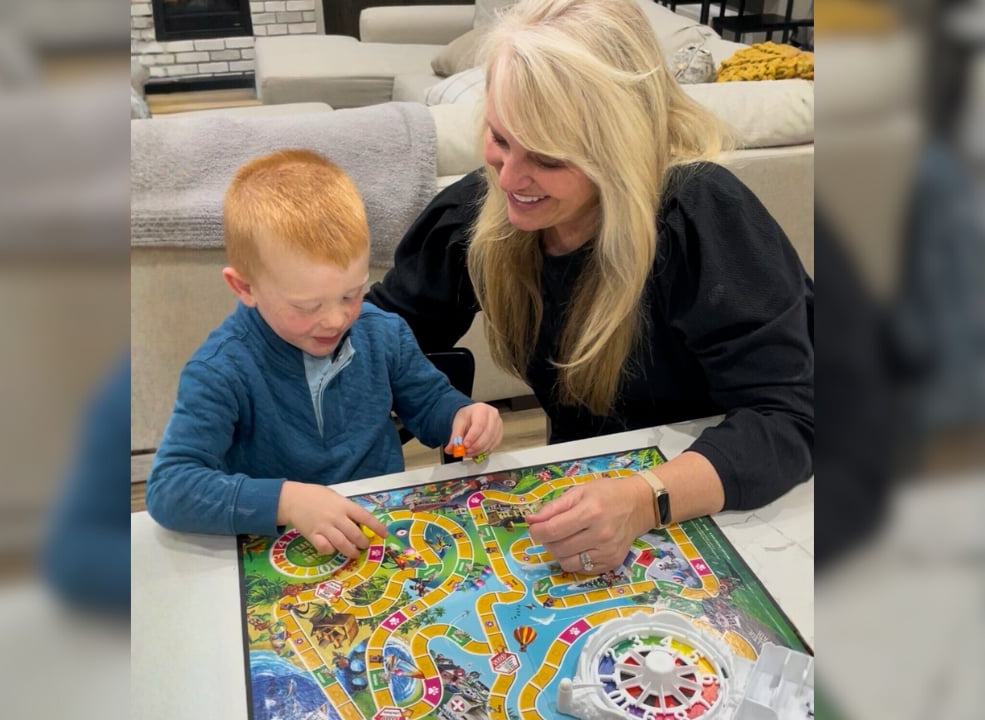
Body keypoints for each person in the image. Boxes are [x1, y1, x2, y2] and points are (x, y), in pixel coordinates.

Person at [366, 0, 813, 574]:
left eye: (548, 157)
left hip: (723, 506)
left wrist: (643, 498)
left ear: (619, 147)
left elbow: (791, 417)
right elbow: (371, 345)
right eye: (501, 138)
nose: (509, 179)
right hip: (580, 494)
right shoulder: (473, 216)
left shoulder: (703, 218)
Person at [146, 150, 503, 556]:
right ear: (245, 287)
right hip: (276, 547)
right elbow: (170, 488)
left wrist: (463, 418)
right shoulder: (221, 369)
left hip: (376, 531)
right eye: (306, 306)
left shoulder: (381, 331)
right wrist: (289, 501)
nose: (336, 320)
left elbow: (430, 404)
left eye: (351, 294)